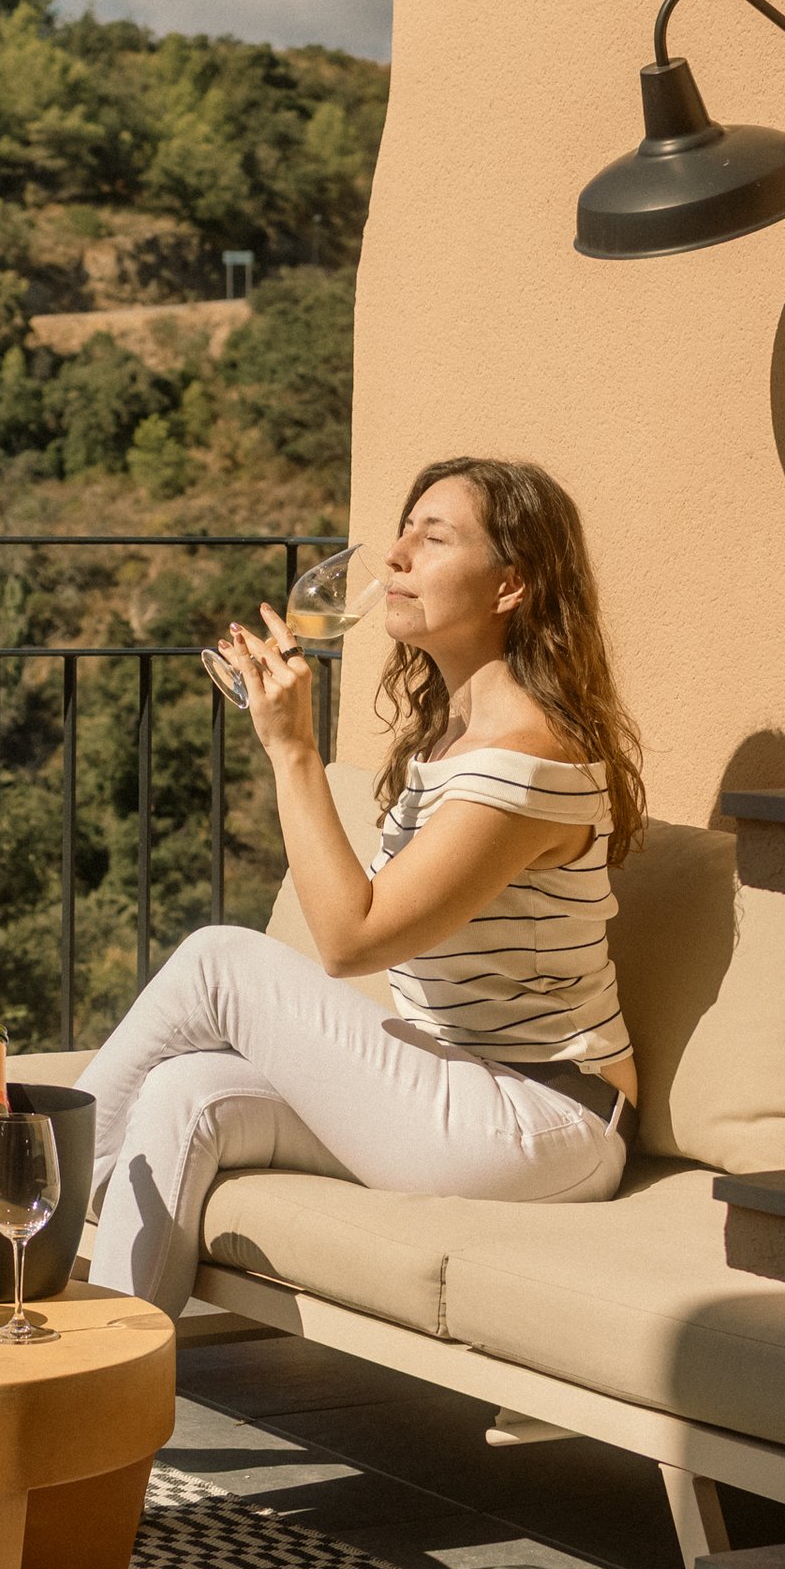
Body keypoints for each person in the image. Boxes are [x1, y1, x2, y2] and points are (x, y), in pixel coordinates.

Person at [85, 454, 646, 1317]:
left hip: (539, 1120)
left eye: (434, 538)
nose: (394, 558)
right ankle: (108, 1400)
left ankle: (7, 1196)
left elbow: (352, 940)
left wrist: (291, 749)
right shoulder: (455, 737)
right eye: (402, 533)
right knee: (180, 1091)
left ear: (510, 587)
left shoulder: (530, 757)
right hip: (452, 1089)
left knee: (217, 962)